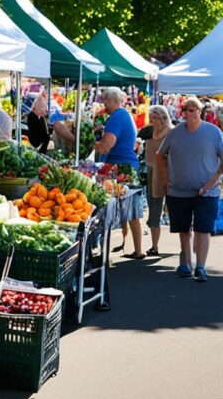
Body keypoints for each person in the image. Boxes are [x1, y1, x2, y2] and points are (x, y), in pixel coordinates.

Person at [157, 97, 223, 282]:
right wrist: (165, 179)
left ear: (199, 112)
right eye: (185, 109)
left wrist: (211, 182)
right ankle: (186, 263)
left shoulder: (213, 132)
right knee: (184, 229)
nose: (187, 113)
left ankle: (201, 267)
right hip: (178, 190)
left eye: (192, 109)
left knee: (203, 229)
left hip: (207, 192)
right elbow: (160, 156)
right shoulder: (175, 133)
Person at [95, 87, 142, 259]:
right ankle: (134, 248)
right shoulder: (125, 114)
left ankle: (113, 250)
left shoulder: (116, 117)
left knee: (124, 210)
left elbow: (106, 145)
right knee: (130, 211)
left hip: (121, 167)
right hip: (127, 165)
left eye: (105, 101)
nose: (104, 105)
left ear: (113, 101)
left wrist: (86, 144)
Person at [139, 105, 172, 257]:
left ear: (163, 118)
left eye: (155, 118)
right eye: (151, 118)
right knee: (154, 211)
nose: (152, 121)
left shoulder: (172, 133)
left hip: (171, 176)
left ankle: (189, 246)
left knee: (179, 211)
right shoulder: (148, 132)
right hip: (152, 175)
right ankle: (154, 246)